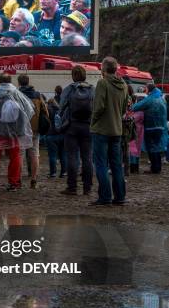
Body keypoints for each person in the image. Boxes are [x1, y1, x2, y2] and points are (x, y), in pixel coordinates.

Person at [0, 73, 34, 191]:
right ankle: (14, 183)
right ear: (11, 81)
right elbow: (29, 110)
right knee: (14, 157)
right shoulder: (17, 94)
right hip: (13, 131)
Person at [90, 57, 128, 206]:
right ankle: (119, 197)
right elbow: (125, 108)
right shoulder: (123, 84)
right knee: (117, 165)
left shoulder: (103, 83)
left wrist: (93, 121)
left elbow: (98, 107)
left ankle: (105, 197)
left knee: (100, 164)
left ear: (103, 69)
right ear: (116, 69)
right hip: (117, 130)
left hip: (101, 130)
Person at [60, 65, 94, 196]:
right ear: (85, 75)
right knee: (87, 158)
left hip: (71, 126)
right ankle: (87, 188)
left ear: (73, 76)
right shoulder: (92, 89)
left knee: (72, 157)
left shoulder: (69, 89)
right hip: (88, 127)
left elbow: (61, 107)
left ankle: (72, 187)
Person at [17, 74, 47, 188]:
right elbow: (45, 111)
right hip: (35, 128)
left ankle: (18, 179)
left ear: (19, 83)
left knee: (20, 154)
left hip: (21, 128)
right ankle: (34, 179)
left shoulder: (17, 94)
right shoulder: (37, 95)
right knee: (35, 154)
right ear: (28, 82)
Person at [132, 84, 167, 174]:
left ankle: (154, 168)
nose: (145, 91)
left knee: (152, 148)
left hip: (151, 127)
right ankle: (158, 167)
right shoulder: (161, 98)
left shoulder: (150, 99)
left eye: (146, 89)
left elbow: (136, 107)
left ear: (149, 90)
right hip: (161, 127)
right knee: (157, 148)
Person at [46, 97, 66, 178]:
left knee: (52, 155)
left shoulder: (47, 111)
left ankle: (53, 173)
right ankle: (64, 172)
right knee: (63, 155)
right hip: (62, 134)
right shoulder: (61, 111)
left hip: (51, 135)